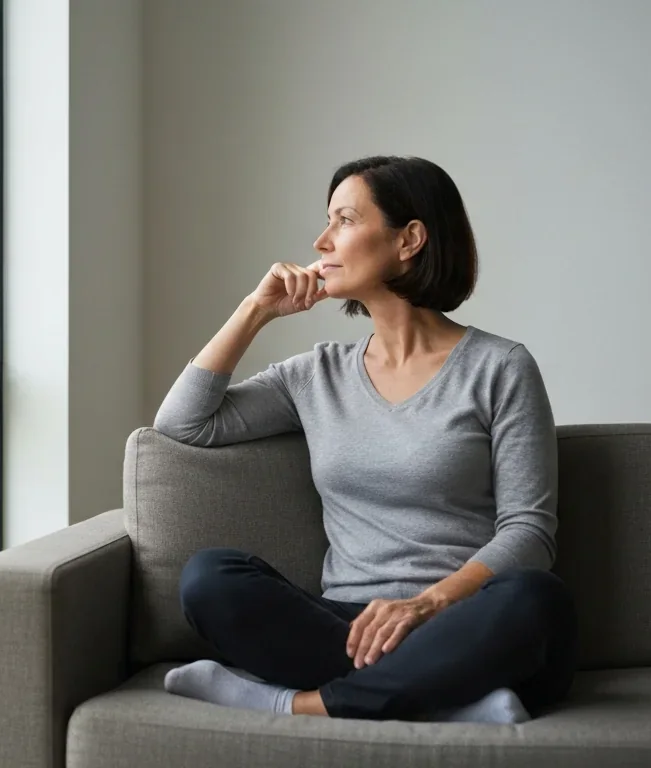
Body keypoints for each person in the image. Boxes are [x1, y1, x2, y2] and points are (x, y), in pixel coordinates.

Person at [152, 155, 577, 724]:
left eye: (345, 220)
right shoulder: (315, 375)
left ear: (410, 239)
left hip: (463, 617)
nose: (322, 240)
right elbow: (183, 423)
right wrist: (255, 311)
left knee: (535, 598)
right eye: (327, 221)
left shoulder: (500, 367)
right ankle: (444, 698)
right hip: (345, 628)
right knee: (210, 577)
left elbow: (530, 531)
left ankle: (299, 704)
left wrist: (427, 604)